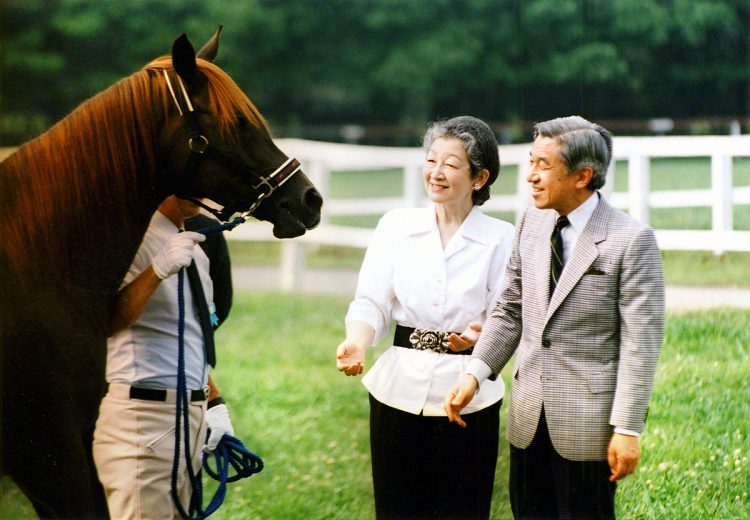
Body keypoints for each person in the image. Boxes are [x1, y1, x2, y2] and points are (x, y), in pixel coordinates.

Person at [445, 116, 665, 519]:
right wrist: (475, 373)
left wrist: (628, 429)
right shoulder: (530, 222)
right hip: (527, 422)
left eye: (543, 165)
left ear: (583, 176)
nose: (530, 176)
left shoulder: (631, 241)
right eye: (531, 161)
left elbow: (640, 346)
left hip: (589, 429)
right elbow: (510, 308)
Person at [336, 116, 515, 519]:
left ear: (479, 178)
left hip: (468, 397)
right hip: (396, 392)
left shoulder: (502, 239)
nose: (436, 173)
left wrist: (479, 336)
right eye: (431, 160)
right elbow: (371, 303)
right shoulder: (395, 227)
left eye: (450, 165)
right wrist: (357, 341)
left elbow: (505, 318)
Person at [93, 195, 236, 519]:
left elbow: (188, 338)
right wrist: (156, 269)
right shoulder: (130, 238)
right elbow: (106, 322)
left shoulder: (197, 246)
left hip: (190, 416)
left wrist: (213, 404)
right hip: (143, 418)